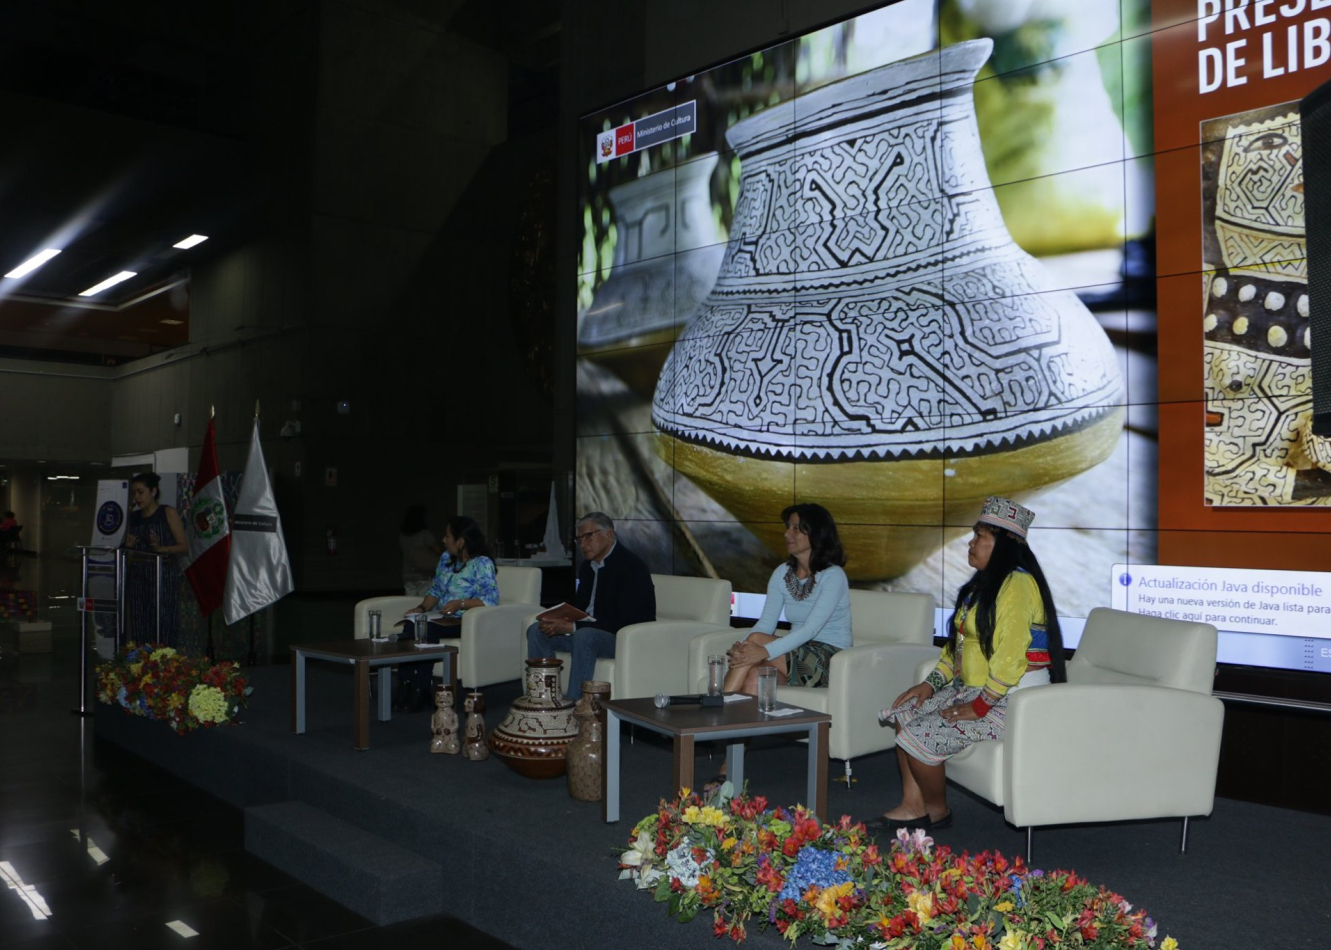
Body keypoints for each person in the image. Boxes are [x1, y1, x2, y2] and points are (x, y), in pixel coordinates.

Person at [872, 495, 1066, 835]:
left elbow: (1009, 658)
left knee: (921, 735)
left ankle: (936, 811)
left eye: (980, 536)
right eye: (974, 535)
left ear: (1004, 545)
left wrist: (979, 706)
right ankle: (912, 806)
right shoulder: (980, 587)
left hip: (1014, 700)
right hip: (978, 690)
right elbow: (955, 650)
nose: (971, 542)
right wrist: (930, 684)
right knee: (905, 714)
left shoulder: (1017, 585)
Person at [711, 502, 852, 786]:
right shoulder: (781, 574)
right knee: (752, 676)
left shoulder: (833, 576)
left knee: (757, 645)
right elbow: (765, 624)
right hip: (791, 654)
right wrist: (744, 647)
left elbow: (812, 629)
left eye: (796, 528)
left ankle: (713, 710)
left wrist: (763, 649)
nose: (788, 533)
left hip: (828, 659)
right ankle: (731, 768)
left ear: (815, 534)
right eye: (788, 526)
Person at [526, 512, 654, 702]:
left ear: (608, 534)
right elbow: (581, 609)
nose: (583, 544)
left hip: (622, 639)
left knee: (584, 636)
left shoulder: (632, 567)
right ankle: (544, 699)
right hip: (587, 633)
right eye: (579, 539)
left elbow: (625, 622)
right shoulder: (587, 567)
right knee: (537, 630)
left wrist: (574, 627)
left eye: (588, 536)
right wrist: (562, 619)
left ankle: (576, 708)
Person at [396, 516, 499, 711]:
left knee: (427, 630)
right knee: (411, 624)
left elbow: (490, 600)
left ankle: (422, 688)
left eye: (448, 536)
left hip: (465, 621)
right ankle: (405, 686)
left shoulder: (482, 563)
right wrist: (421, 609)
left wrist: (461, 603)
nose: (444, 540)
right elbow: (435, 590)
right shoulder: (445, 559)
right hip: (441, 617)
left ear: (461, 541)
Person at [122, 473, 188, 647]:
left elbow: (184, 546)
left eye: (140, 492)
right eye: (134, 493)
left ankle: (165, 665)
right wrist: (128, 546)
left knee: (163, 621)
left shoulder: (167, 512)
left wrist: (162, 549)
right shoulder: (133, 517)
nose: (136, 497)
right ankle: (142, 665)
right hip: (138, 577)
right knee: (139, 622)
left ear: (153, 491)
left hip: (162, 576)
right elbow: (125, 551)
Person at [399, 504, 441, 597]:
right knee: (423, 601)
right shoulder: (424, 534)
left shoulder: (403, 535)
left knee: (409, 601)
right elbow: (437, 550)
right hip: (423, 573)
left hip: (407, 573)